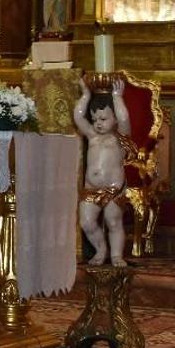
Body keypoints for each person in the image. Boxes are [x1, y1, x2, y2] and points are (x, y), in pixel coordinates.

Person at [73, 78, 135, 267]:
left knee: (113, 221)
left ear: (114, 119)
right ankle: (101, 249)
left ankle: (116, 255)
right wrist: (85, 96)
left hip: (114, 188)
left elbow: (125, 118)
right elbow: (78, 117)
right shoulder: (92, 136)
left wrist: (117, 98)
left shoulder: (119, 139)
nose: (98, 123)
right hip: (91, 188)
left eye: (103, 119)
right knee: (86, 222)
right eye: (95, 119)